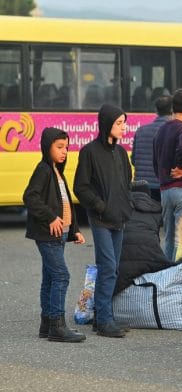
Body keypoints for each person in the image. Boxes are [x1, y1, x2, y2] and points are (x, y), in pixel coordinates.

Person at [74, 104, 134, 338]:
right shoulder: (89, 151)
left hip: (119, 218)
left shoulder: (120, 152)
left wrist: (125, 205)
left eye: (123, 122)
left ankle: (102, 317)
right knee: (108, 267)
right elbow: (81, 186)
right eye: (119, 123)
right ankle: (105, 320)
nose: (123, 127)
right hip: (100, 219)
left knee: (113, 268)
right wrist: (101, 206)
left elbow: (126, 181)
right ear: (106, 124)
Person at [24, 127, 86, 343]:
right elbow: (30, 197)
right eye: (59, 147)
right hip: (47, 234)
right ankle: (57, 327)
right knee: (61, 275)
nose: (64, 152)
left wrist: (75, 230)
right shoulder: (43, 169)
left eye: (66, 148)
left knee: (51, 277)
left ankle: (47, 324)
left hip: (60, 234)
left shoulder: (55, 171)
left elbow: (65, 203)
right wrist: (50, 217)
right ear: (46, 146)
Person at [153, 88, 182, 261]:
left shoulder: (161, 130)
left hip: (166, 190)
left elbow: (155, 161)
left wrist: (164, 178)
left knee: (169, 238)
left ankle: (168, 275)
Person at [131, 95, 172, 201]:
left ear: (156, 111)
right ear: (173, 110)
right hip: (164, 186)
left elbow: (134, 160)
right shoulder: (172, 131)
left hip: (141, 187)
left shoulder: (141, 130)